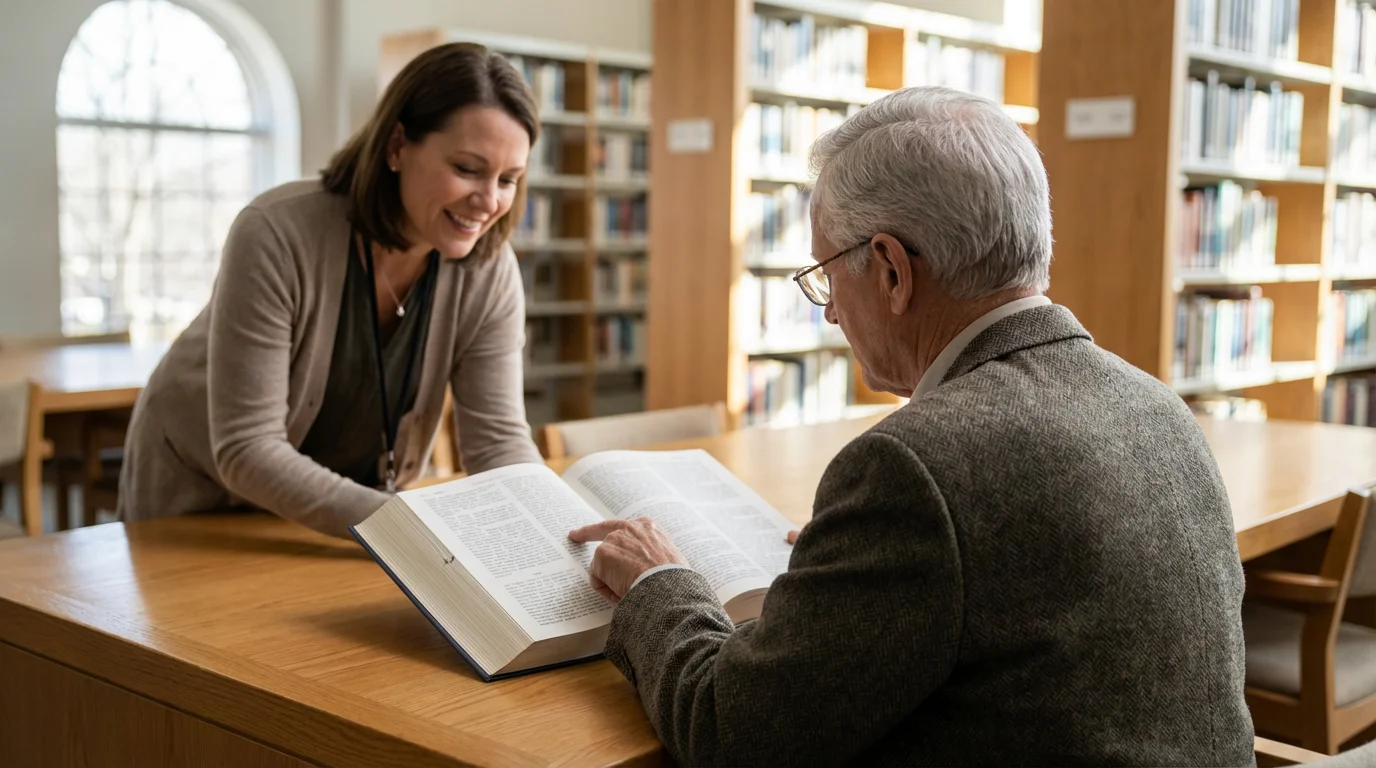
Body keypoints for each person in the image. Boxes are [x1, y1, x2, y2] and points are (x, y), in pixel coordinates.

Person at [568, 86, 1256, 766]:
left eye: (827, 274)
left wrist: (659, 584)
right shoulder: (1159, 406)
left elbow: (729, 734)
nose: (831, 312)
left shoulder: (916, 466)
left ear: (893, 270)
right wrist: (878, 557)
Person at [117, 42, 544, 538]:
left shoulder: (489, 270)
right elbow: (246, 448)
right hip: (203, 499)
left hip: (350, 516)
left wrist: (549, 527)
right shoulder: (275, 232)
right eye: (467, 169)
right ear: (397, 146)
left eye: (509, 179)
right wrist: (410, 525)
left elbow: (497, 441)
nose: (489, 201)